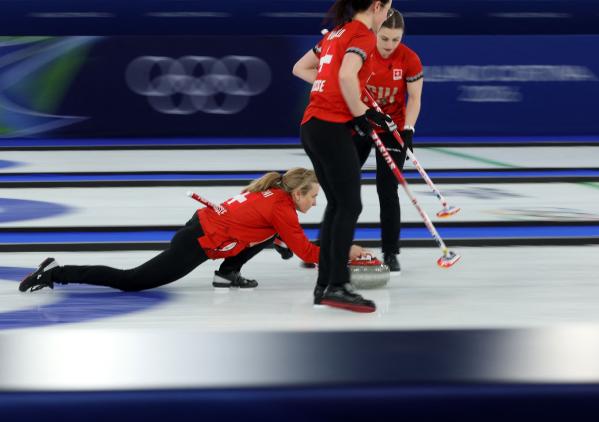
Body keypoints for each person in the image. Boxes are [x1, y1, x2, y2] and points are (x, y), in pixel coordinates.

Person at [19, 168, 368, 294]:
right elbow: (308, 253)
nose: (316, 203)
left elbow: (264, 229)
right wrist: (344, 254)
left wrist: (280, 241)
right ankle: (57, 273)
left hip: (202, 226)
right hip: (198, 241)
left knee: (270, 236)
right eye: (314, 197)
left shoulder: (274, 193)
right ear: (298, 193)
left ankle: (227, 274)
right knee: (131, 281)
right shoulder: (282, 209)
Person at [292, 0, 395, 313]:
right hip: (331, 126)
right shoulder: (361, 35)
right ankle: (337, 285)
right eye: (388, 9)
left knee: (338, 205)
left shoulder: (336, 33)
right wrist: (358, 115)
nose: (387, 17)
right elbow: (348, 76)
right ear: (376, 6)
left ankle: (325, 285)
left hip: (312, 126)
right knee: (350, 204)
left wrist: (352, 104)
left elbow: (301, 68)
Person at [353, 8, 423, 273]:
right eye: (385, 39)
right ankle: (329, 244)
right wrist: (364, 115)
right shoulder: (361, 51)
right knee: (345, 187)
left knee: (388, 188)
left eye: (396, 39)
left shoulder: (409, 59)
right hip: (359, 122)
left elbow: (414, 98)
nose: (390, 46)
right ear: (375, 32)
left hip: (391, 127)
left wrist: (409, 129)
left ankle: (391, 252)